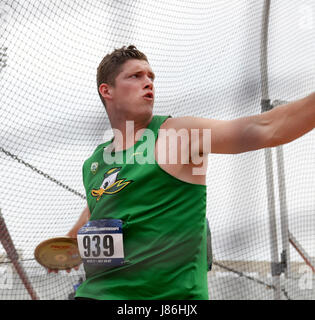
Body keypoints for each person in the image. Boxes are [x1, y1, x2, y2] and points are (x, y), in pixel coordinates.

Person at [49, 45, 315, 300]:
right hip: (95, 293)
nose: (148, 82)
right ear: (107, 91)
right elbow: (103, 202)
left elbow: (269, 126)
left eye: (151, 76)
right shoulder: (95, 162)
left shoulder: (178, 135)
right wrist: (68, 244)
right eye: (135, 76)